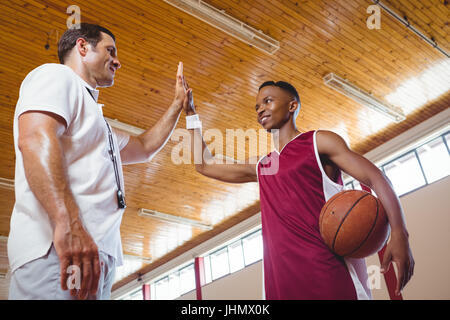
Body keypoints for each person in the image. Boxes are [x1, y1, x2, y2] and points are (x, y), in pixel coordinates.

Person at [181, 80, 415, 299]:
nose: (260, 109)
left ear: (292, 105)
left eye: (268, 101)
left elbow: (376, 177)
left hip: (328, 272)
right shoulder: (263, 166)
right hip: (280, 283)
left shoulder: (319, 142)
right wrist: (191, 114)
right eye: (257, 106)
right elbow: (204, 164)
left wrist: (399, 233)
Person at [8, 23, 188, 300]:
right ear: (82, 47)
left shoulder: (94, 121)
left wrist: (177, 104)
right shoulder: (56, 76)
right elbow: (33, 138)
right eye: (110, 50)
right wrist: (68, 224)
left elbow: (145, 147)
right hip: (59, 250)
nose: (117, 60)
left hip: (95, 255)